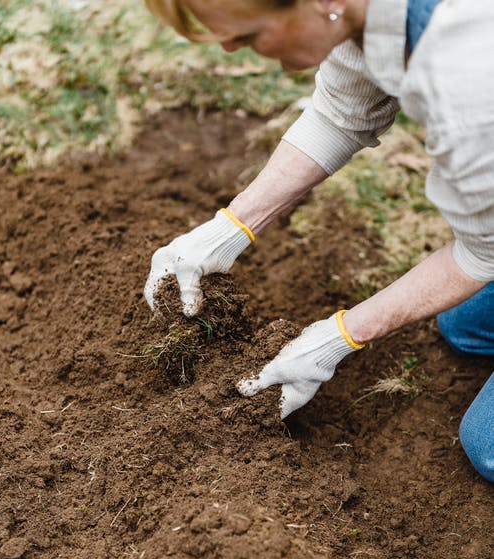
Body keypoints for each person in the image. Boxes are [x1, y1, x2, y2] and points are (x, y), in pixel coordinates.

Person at [143, 0, 494, 481]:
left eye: (247, 35)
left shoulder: (469, 82)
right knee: (464, 328)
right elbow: (341, 113)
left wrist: (338, 338)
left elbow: (481, 253)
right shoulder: (362, 12)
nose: (226, 45)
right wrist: (225, 230)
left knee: (487, 446)